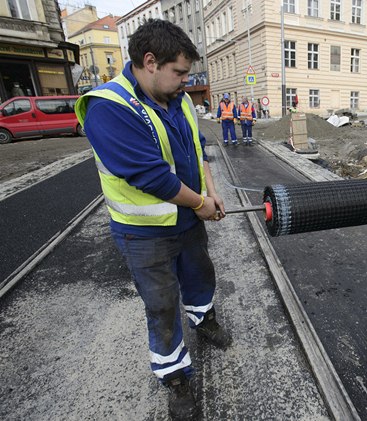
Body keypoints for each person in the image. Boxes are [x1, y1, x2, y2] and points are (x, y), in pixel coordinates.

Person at [74, 19, 232, 420]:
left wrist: (211, 192)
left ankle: (204, 320)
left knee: (200, 278)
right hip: (144, 234)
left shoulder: (179, 99)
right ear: (149, 61)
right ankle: (175, 376)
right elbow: (151, 177)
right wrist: (199, 203)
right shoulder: (108, 107)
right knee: (161, 305)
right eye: (179, 72)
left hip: (188, 224)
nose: (185, 80)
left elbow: (198, 151)